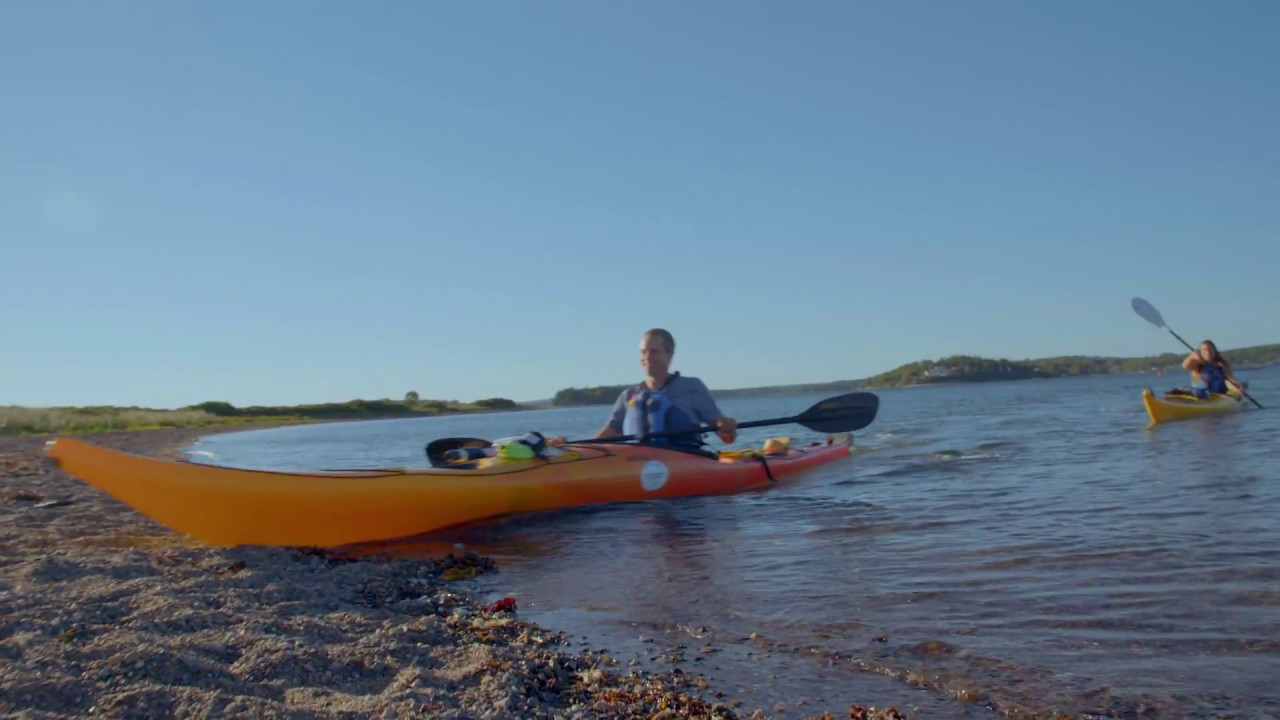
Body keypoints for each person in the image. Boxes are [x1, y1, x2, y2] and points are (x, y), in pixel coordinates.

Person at [550, 329, 738, 448]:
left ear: (670, 353)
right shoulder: (628, 396)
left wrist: (725, 426)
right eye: (643, 352)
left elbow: (727, 438)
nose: (647, 357)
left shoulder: (691, 387)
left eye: (654, 351)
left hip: (685, 460)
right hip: (639, 464)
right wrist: (575, 448)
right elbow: (609, 434)